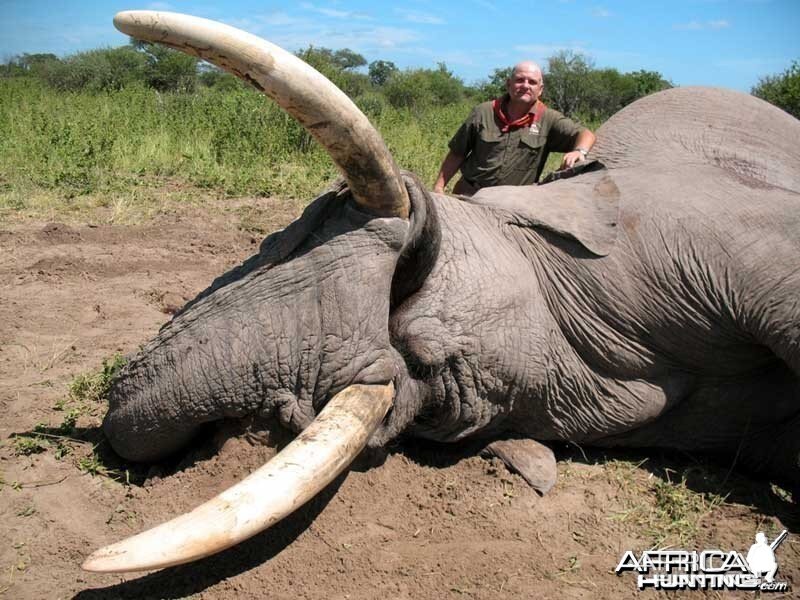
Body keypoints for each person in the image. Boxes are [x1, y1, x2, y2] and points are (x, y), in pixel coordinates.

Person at [434, 61, 596, 196]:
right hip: (469, 194)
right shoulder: (483, 112)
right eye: (520, 80)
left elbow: (585, 134)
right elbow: (457, 153)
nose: (525, 86)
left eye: (532, 82)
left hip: (512, 204)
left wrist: (579, 151)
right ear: (508, 84)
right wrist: (439, 188)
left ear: (540, 89)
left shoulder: (549, 119)